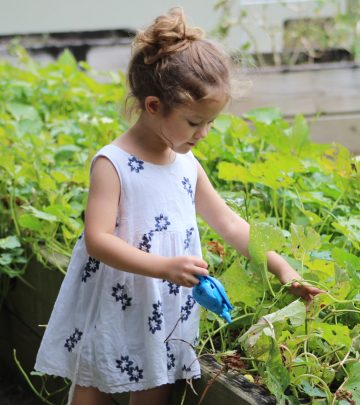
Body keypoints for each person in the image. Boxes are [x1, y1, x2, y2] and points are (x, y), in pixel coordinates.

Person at [34, 7, 323, 405]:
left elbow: (231, 224)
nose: (203, 133)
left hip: (165, 307)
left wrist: (282, 269)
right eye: (193, 122)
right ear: (153, 106)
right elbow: (97, 239)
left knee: (157, 385)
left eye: (210, 123)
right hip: (118, 300)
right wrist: (164, 267)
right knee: (94, 384)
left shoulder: (186, 164)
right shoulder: (113, 164)